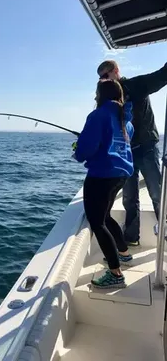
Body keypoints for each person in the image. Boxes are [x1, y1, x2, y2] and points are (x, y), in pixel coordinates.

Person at [97, 60, 167, 246]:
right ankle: (131, 237)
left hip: (147, 147)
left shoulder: (136, 85)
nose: (103, 80)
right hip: (126, 152)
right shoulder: (108, 98)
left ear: (116, 71)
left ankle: (165, 231)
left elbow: (161, 76)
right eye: (101, 78)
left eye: (106, 75)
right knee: (129, 196)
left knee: (157, 191)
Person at [73, 79, 134, 288]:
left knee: (97, 222)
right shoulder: (126, 120)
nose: (95, 97)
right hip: (121, 175)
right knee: (105, 216)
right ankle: (124, 253)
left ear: (101, 95)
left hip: (101, 176)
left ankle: (116, 274)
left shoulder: (98, 115)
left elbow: (87, 148)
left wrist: (77, 152)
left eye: (96, 93)